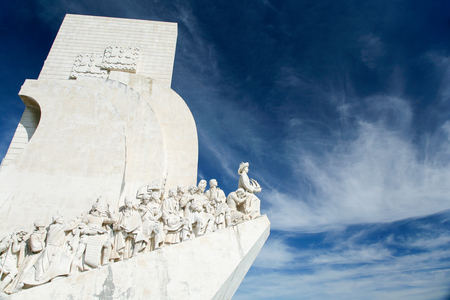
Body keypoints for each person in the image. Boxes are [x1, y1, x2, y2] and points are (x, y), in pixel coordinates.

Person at [6, 220, 47, 294]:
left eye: (44, 227)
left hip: (41, 255)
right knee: (25, 270)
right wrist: (43, 243)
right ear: (38, 227)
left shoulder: (44, 234)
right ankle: (16, 286)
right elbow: (34, 248)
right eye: (42, 227)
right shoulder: (33, 236)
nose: (44, 228)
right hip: (34, 255)